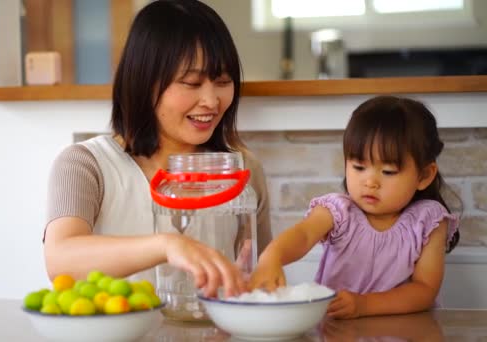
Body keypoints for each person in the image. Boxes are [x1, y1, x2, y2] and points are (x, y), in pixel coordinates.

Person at [43, 0, 272, 298]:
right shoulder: (86, 164)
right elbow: (61, 259)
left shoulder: (243, 170)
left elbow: (263, 276)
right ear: (144, 82)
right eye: (191, 82)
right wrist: (167, 245)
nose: (212, 101)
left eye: (223, 81)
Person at [249, 95, 460, 319]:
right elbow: (303, 234)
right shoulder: (339, 211)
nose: (370, 182)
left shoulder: (429, 221)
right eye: (359, 167)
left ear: (424, 175)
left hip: (404, 331)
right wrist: (271, 257)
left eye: (388, 172)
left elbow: (425, 290)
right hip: (337, 329)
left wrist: (363, 305)